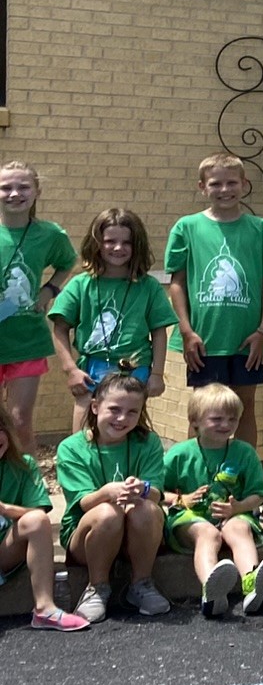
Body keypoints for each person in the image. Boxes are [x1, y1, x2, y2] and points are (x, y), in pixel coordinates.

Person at [165, 153, 263, 449]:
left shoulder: (262, 229)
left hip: (247, 339)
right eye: (215, 183)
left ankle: (245, 475)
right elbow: (177, 283)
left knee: (244, 405)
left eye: (231, 182)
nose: (224, 190)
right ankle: (196, 478)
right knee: (203, 410)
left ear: (244, 185)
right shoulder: (187, 227)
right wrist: (186, 331)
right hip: (203, 339)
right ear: (202, 187)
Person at [163, 384, 263, 618]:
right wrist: (181, 498)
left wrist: (238, 507)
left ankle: (252, 584)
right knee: (207, 534)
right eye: (217, 419)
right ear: (195, 421)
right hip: (190, 518)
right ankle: (212, 589)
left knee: (239, 528)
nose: (226, 425)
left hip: (232, 514)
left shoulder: (244, 451)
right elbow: (157, 491)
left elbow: (258, 494)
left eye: (232, 419)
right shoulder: (180, 453)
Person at [49, 206, 173, 434]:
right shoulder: (81, 285)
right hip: (91, 369)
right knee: (84, 434)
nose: (118, 248)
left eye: (127, 242)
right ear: (96, 243)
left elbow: (158, 332)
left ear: (137, 246)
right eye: (110, 241)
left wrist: (156, 374)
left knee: (127, 430)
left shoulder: (148, 287)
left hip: (134, 370)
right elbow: (60, 328)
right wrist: (70, 370)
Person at [55, 373, 167, 620]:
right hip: (87, 537)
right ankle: (97, 588)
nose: (122, 418)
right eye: (114, 409)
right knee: (108, 512)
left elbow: (157, 494)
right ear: (95, 407)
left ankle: (141, 584)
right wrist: (107, 493)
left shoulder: (147, 442)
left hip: (135, 536)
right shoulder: (71, 448)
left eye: (132, 412)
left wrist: (143, 489)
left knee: (146, 508)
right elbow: (82, 502)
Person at [0, 161, 74, 437]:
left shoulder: (50, 234)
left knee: (19, 423)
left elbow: (67, 262)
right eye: (6, 187)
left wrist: (49, 290)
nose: (14, 193)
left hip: (27, 341)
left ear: (36, 192)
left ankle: (27, 479)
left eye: (23, 187)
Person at [0, 403, 89, 630]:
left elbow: (37, 513)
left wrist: (5, 509)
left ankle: (44, 609)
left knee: (37, 521)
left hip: (4, 551)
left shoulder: (22, 465)